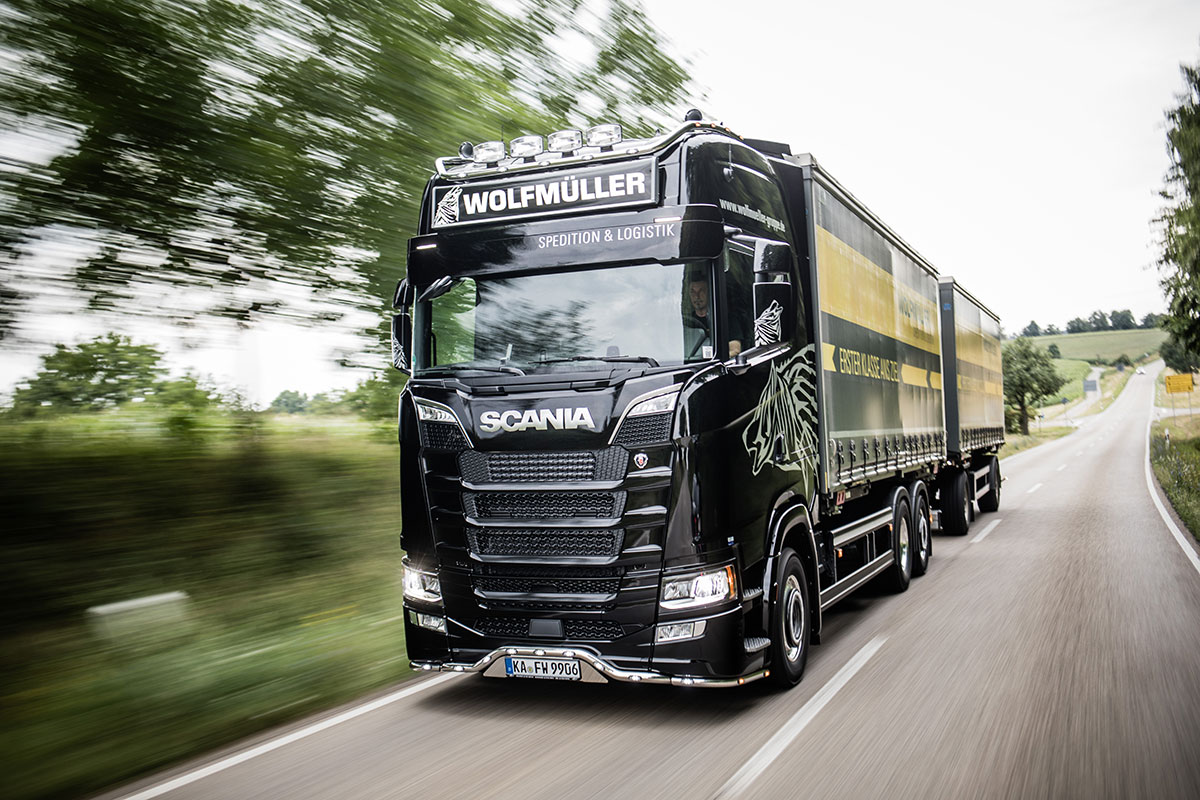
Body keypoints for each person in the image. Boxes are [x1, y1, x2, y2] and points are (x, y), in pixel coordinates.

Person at [684, 271, 746, 359]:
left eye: (701, 291)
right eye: (692, 292)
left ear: (709, 292)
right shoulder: (686, 322)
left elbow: (735, 350)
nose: (697, 296)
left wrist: (715, 360)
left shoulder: (726, 319)